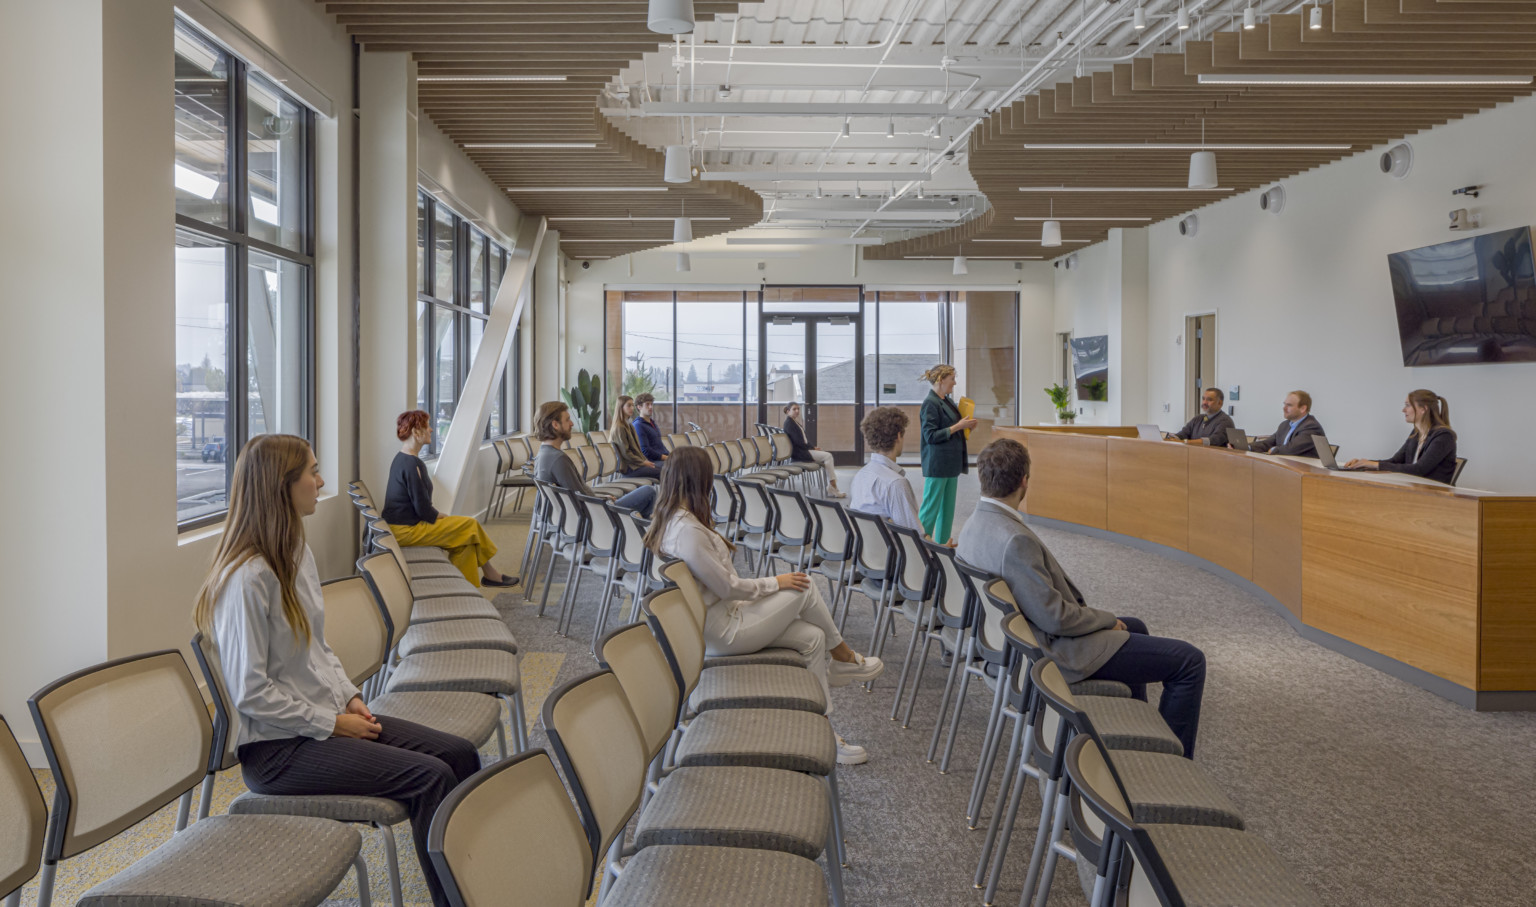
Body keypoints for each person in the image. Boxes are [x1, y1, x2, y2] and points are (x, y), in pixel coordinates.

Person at [195, 434, 481, 907]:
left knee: (460, 755)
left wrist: (349, 697)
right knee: (430, 777)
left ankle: (473, 880)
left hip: (324, 722)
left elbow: (317, 649)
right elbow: (250, 693)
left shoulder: (294, 553)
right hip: (279, 751)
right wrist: (332, 723)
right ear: (281, 487)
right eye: (312, 472)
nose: (321, 480)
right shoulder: (247, 579)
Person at [958, 438, 1207, 758]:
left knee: (1137, 627)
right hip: (1050, 651)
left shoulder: (972, 525)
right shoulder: (1015, 540)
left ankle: (1137, 738)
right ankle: (1173, 764)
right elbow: (1056, 618)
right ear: (1024, 482)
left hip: (1011, 643)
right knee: (1189, 661)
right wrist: (1106, 619)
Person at [646, 446, 885, 765]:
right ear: (698, 479)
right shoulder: (688, 531)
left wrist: (771, 586)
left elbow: (723, 588)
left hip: (720, 620)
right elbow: (729, 588)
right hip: (726, 631)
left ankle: (824, 731)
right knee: (805, 584)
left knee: (812, 639)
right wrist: (776, 583)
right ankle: (843, 656)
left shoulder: (674, 520)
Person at [382, 410, 518, 588]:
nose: (431, 430)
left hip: (403, 527)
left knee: (465, 543)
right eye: (426, 427)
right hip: (406, 531)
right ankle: (489, 574)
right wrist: (441, 516)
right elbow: (422, 509)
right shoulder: (411, 465)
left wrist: (438, 515)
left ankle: (467, 591)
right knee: (470, 525)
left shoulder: (403, 459)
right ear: (416, 432)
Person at [534, 400, 658, 517]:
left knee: (645, 494)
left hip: (587, 512)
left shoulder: (543, 454)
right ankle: (638, 534)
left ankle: (638, 533)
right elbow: (580, 499)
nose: (572, 424)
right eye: (567, 420)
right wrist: (604, 502)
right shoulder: (558, 460)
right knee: (648, 492)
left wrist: (603, 498)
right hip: (596, 517)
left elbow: (578, 493)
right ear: (555, 425)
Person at [1344, 389, 1459, 484]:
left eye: (1408, 405)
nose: (1403, 410)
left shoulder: (1444, 436)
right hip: (1412, 489)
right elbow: (1395, 461)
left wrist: (1374, 465)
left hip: (1432, 495)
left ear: (1423, 409)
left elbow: (1419, 469)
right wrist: (1365, 463)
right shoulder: (1416, 433)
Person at [917, 364, 977, 546]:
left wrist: (965, 426)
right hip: (938, 464)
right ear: (941, 380)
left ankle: (943, 546)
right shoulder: (930, 403)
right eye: (952, 379)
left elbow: (953, 426)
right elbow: (930, 436)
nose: (955, 382)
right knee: (930, 509)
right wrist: (958, 427)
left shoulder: (947, 401)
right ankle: (919, 545)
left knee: (947, 510)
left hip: (950, 463)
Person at [849, 406, 922, 531]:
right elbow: (914, 539)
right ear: (899, 436)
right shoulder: (895, 483)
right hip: (895, 549)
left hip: (865, 548)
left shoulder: (860, 475)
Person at [782, 401, 845, 498]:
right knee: (828, 456)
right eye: (794, 409)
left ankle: (832, 486)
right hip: (800, 453)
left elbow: (804, 440)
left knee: (826, 456)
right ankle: (833, 487)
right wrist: (811, 448)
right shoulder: (789, 423)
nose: (797, 411)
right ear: (788, 410)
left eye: (798, 409)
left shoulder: (793, 422)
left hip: (803, 450)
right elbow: (799, 442)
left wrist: (813, 447)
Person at [1249, 390, 1326, 458]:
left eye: (1289, 405)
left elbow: (1291, 449)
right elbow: (1268, 443)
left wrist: (1273, 450)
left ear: (1303, 408)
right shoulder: (1284, 425)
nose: (1284, 408)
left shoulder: (1311, 427)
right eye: (1284, 404)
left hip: (1304, 471)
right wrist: (1248, 447)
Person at [610, 394, 662, 480]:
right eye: (629, 405)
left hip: (637, 465)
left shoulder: (629, 425)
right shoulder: (619, 427)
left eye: (632, 405)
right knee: (664, 472)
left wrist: (645, 461)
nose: (632, 408)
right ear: (621, 407)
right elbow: (626, 453)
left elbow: (637, 451)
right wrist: (643, 462)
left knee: (665, 470)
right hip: (631, 468)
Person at [632, 392, 669, 463]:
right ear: (639, 407)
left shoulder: (652, 422)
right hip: (653, 461)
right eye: (647, 404)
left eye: (651, 404)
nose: (651, 407)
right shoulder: (638, 425)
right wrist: (666, 458)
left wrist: (670, 456)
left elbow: (659, 446)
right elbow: (645, 451)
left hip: (662, 458)